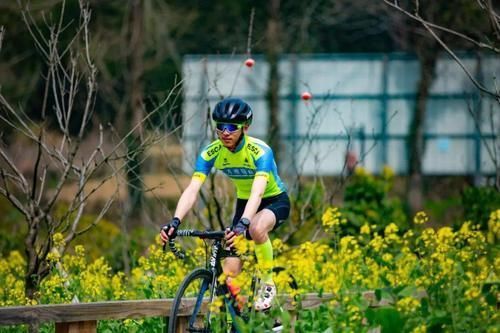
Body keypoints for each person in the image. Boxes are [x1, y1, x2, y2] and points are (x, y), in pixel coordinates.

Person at [160, 97, 290, 312]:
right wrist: (175, 221)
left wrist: (243, 224)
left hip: (273, 199)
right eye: (220, 127)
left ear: (245, 128)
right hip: (244, 203)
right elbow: (192, 189)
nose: (225, 132)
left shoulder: (260, 151)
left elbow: (258, 192)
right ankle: (243, 317)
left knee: (256, 229)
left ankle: (268, 282)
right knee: (230, 275)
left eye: (231, 127)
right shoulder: (211, 152)